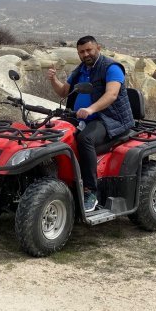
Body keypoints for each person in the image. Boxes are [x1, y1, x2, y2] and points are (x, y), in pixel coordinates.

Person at [47, 35, 134, 212]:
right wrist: (53, 80)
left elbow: (112, 95)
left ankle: (90, 192)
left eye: (89, 50)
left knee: (85, 140)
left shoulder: (111, 68)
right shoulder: (80, 70)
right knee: (53, 132)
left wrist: (91, 110)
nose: (86, 54)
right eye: (81, 51)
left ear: (98, 48)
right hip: (80, 117)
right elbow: (64, 91)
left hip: (110, 119)